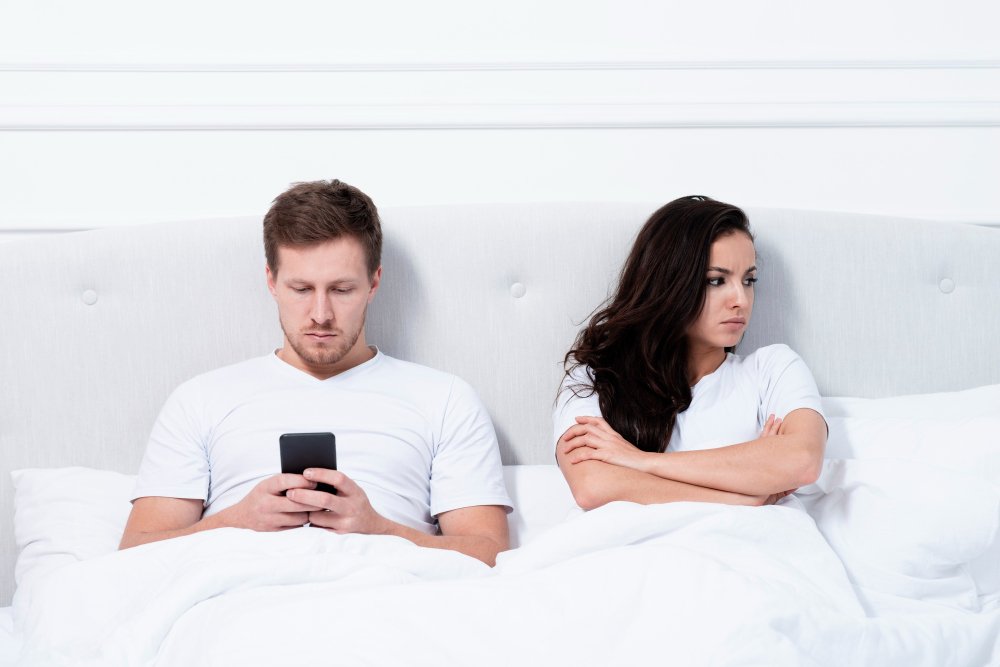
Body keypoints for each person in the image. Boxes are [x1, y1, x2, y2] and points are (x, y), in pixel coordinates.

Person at [120, 179, 511, 565]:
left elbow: (490, 553)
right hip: (240, 600)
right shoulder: (201, 400)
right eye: (301, 289)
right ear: (271, 281)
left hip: (385, 599)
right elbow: (134, 556)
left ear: (374, 282)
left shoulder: (444, 400)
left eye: (341, 289)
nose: (321, 315)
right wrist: (234, 523)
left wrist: (379, 529)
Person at [554, 196, 827, 510]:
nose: (741, 299)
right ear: (668, 284)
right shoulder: (593, 379)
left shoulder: (773, 368)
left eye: (749, 280)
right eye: (716, 280)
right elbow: (593, 486)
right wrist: (746, 494)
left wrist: (642, 462)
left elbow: (802, 460)